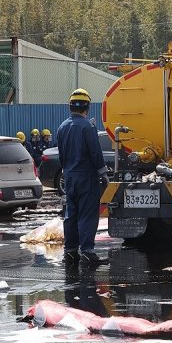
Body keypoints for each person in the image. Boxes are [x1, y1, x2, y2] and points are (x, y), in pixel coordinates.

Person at [56, 88, 109, 266]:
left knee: (71, 214)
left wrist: (67, 171)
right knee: (87, 215)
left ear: (70, 106)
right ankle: (87, 251)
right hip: (87, 178)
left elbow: (61, 156)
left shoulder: (62, 127)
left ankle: (70, 251)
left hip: (70, 177)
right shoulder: (88, 127)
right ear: (87, 107)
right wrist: (103, 173)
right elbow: (95, 153)